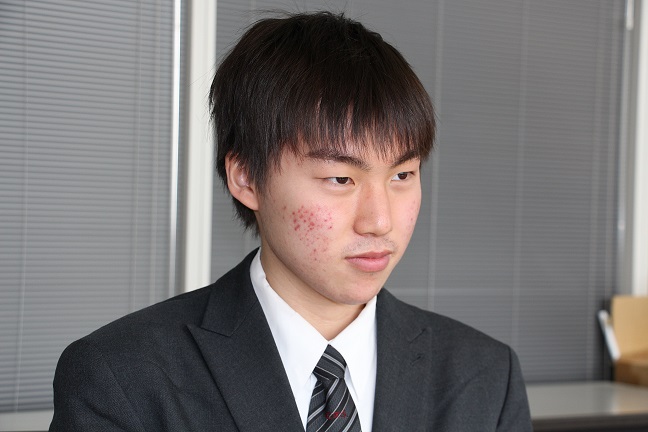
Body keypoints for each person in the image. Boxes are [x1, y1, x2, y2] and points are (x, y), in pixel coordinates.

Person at [50, 11, 532, 432]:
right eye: (341, 179)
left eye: (402, 175)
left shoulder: (485, 377)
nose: (380, 221)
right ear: (246, 178)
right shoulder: (124, 377)